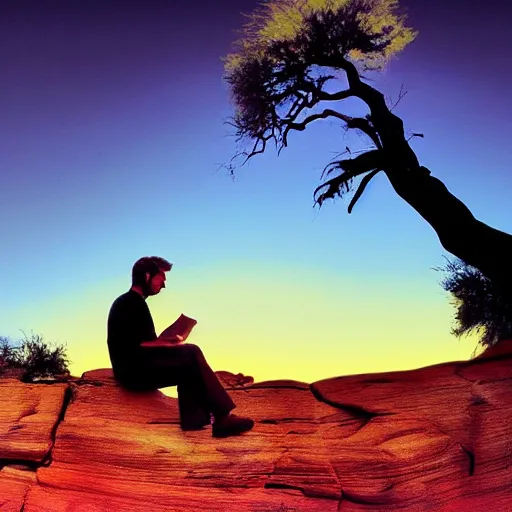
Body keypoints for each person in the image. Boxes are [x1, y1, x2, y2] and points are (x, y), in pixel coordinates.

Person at [106, 256, 254, 438]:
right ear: (146, 276)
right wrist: (162, 344)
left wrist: (166, 342)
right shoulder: (126, 302)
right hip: (131, 371)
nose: (163, 284)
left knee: (187, 367)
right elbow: (127, 346)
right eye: (161, 277)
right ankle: (223, 416)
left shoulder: (135, 304)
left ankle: (194, 421)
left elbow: (144, 342)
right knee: (192, 351)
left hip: (138, 366)